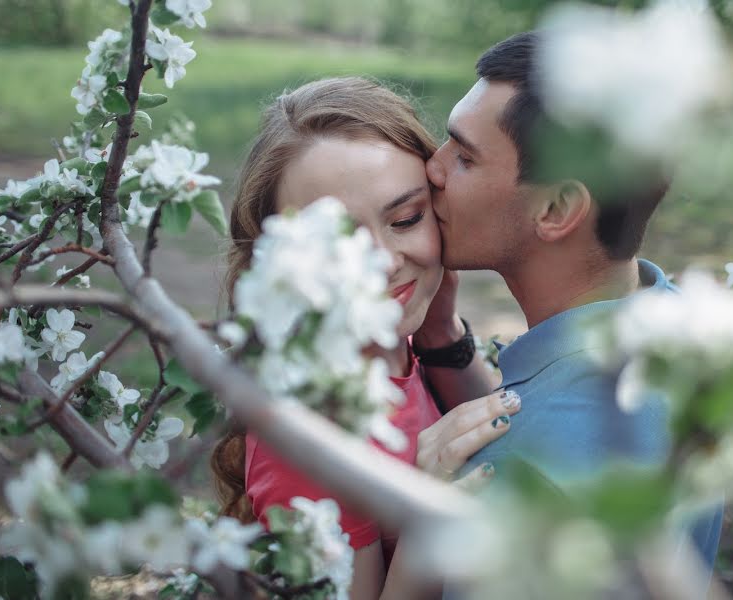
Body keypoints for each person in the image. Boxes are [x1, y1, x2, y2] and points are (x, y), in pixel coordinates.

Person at [417, 31, 723, 587]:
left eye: (463, 157)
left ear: (557, 209)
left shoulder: (516, 477)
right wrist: (443, 338)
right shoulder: (676, 333)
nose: (432, 170)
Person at [211, 77, 513, 599]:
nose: (385, 262)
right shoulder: (308, 435)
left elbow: (499, 435)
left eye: (406, 218)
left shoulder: (400, 342)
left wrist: (442, 334)